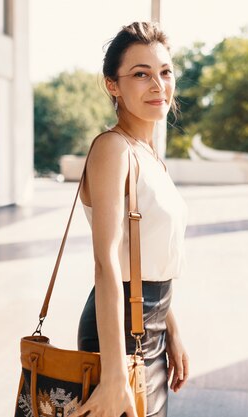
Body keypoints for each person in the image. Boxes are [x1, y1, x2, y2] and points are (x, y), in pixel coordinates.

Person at [74, 22, 190, 417]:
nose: (158, 84)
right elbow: (107, 263)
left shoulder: (149, 155)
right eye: (141, 74)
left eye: (165, 71)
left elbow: (148, 256)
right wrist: (112, 375)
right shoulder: (112, 149)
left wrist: (171, 329)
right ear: (113, 86)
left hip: (151, 330)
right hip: (118, 338)